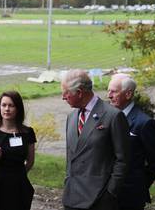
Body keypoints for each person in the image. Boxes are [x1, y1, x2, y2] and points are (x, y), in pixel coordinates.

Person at [61, 69, 130, 210]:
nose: (63, 97)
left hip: (98, 200)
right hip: (72, 198)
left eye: (66, 93)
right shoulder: (72, 117)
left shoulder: (113, 116)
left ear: (79, 92)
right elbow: (71, 156)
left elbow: (123, 159)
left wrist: (110, 193)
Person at [108, 74, 155, 210]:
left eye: (114, 91)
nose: (109, 95)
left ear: (128, 94)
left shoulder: (144, 123)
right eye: (108, 90)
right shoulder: (107, 116)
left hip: (130, 196)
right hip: (105, 193)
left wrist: (139, 184)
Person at [0, 91, 36, 210]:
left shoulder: (27, 132)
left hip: (19, 186)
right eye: (4, 105)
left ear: (18, 108)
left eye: (11, 105)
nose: (7, 109)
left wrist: (17, 174)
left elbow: (30, 161)